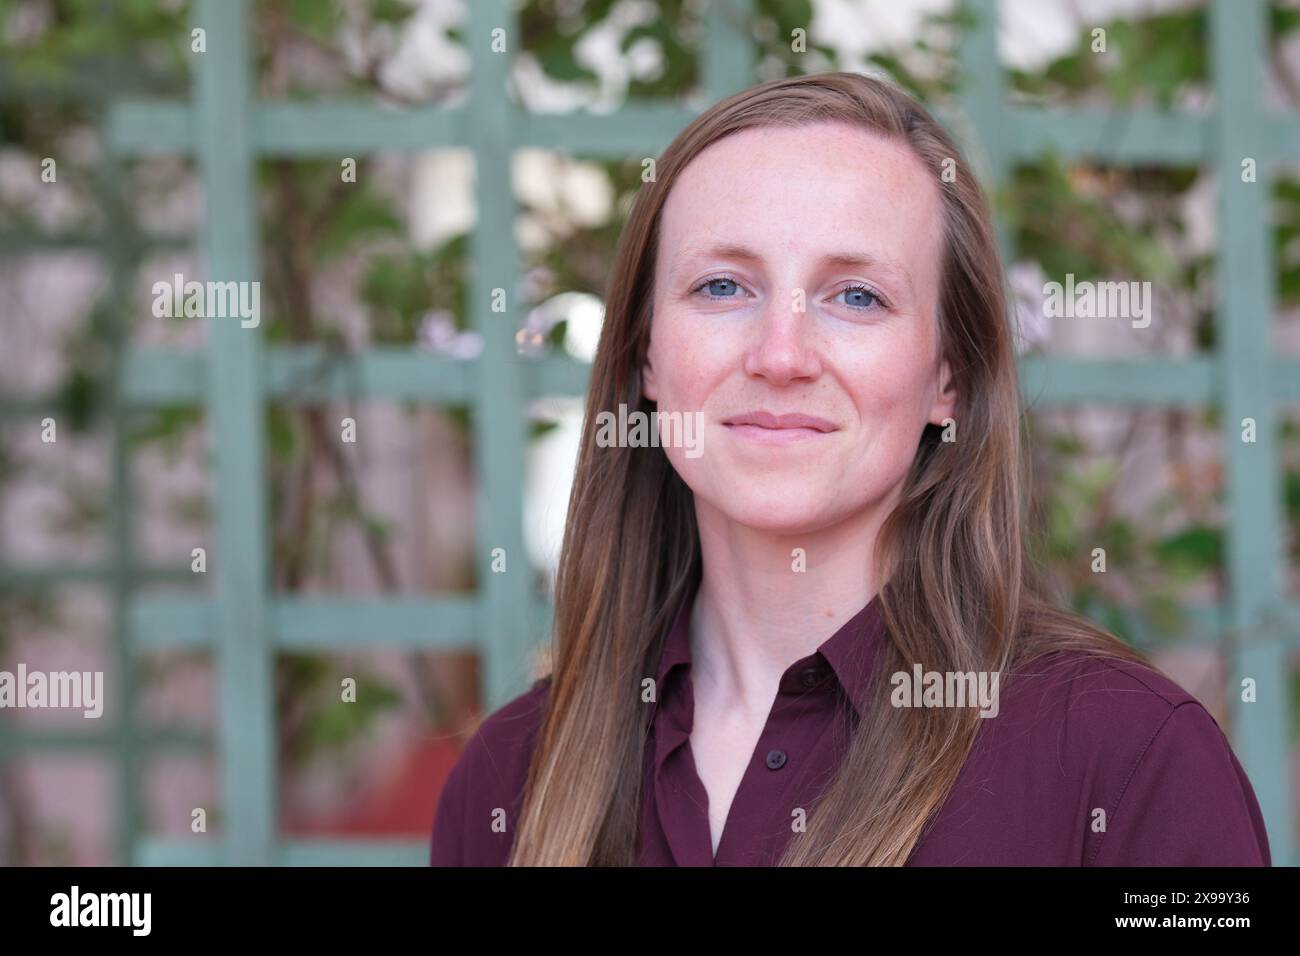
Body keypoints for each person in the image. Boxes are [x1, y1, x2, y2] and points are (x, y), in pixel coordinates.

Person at [429, 71, 1270, 867]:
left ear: (951, 377)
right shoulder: (509, 781)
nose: (780, 354)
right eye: (723, 286)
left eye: (856, 296)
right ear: (647, 358)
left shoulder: (1128, 762)